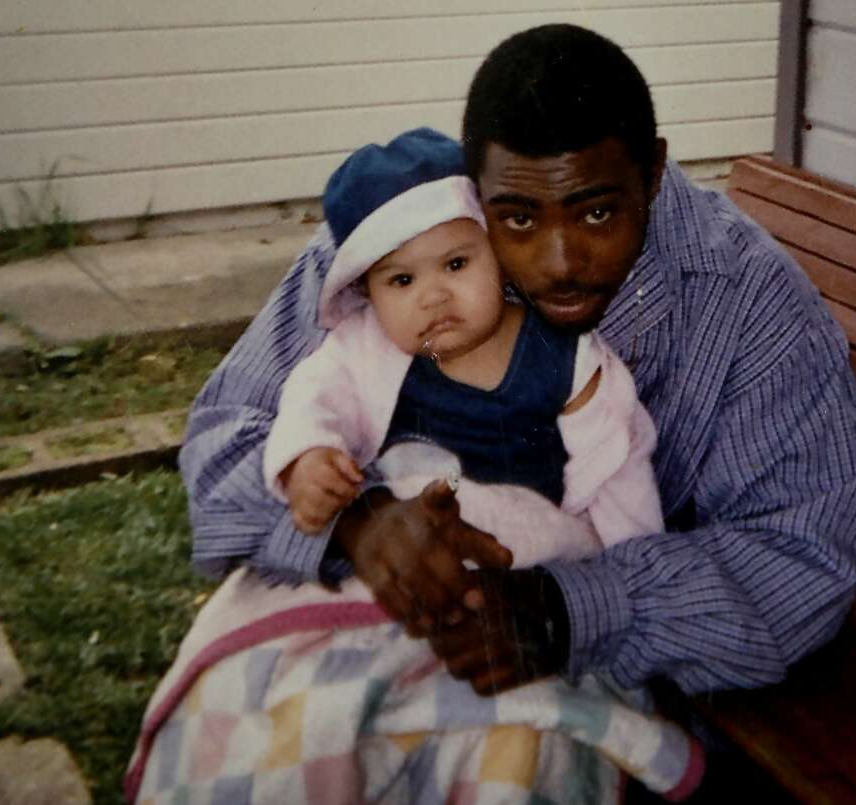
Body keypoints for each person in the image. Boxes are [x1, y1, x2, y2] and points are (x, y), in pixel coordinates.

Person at [174, 21, 856, 797]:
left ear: (653, 170)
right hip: (353, 635)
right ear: (472, 188)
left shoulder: (752, 304)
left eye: (598, 213)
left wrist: (567, 606)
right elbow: (223, 436)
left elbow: (805, 555)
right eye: (515, 219)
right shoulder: (401, 250)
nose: (560, 261)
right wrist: (355, 520)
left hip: (611, 682)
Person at [263, 127, 664, 570]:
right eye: (402, 280)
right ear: (367, 293)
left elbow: (618, 467)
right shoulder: (366, 347)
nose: (433, 296)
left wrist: (636, 570)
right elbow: (313, 399)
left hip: (535, 553)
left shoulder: (564, 356)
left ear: (500, 257)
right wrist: (308, 457)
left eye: (456, 264)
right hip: (412, 549)